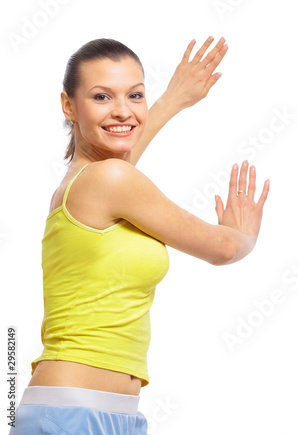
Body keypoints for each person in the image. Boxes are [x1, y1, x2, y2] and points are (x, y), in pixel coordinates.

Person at [10, 36, 270, 435]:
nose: (123, 111)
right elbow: (222, 249)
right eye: (101, 97)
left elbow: (120, 149)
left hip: (117, 415)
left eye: (135, 95)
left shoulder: (93, 179)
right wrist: (243, 235)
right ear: (68, 106)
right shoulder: (108, 180)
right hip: (69, 415)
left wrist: (173, 99)